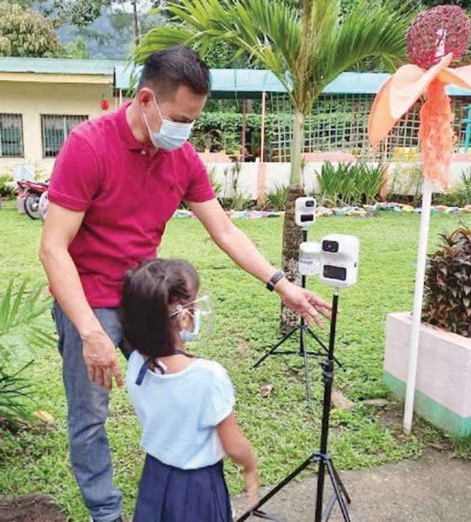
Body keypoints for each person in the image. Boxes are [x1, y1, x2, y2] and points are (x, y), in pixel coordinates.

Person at [39, 45, 331, 522]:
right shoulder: (89, 145)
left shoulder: (183, 157)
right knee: (90, 416)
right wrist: (91, 333)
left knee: (174, 385)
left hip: (145, 295)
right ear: (147, 99)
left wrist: (282, 284)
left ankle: (170, 478)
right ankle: (106, 513)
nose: (185, 129)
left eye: (193, 120)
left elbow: (224, 229)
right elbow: (53, 247)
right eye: (179, 117)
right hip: (90, 300)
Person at [121, 258, 258, 521]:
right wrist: (250, 466)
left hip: (155, 477)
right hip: (198, 486)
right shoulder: (207, 376)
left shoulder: (137, 361)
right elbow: (234, 446)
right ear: (183, 316)